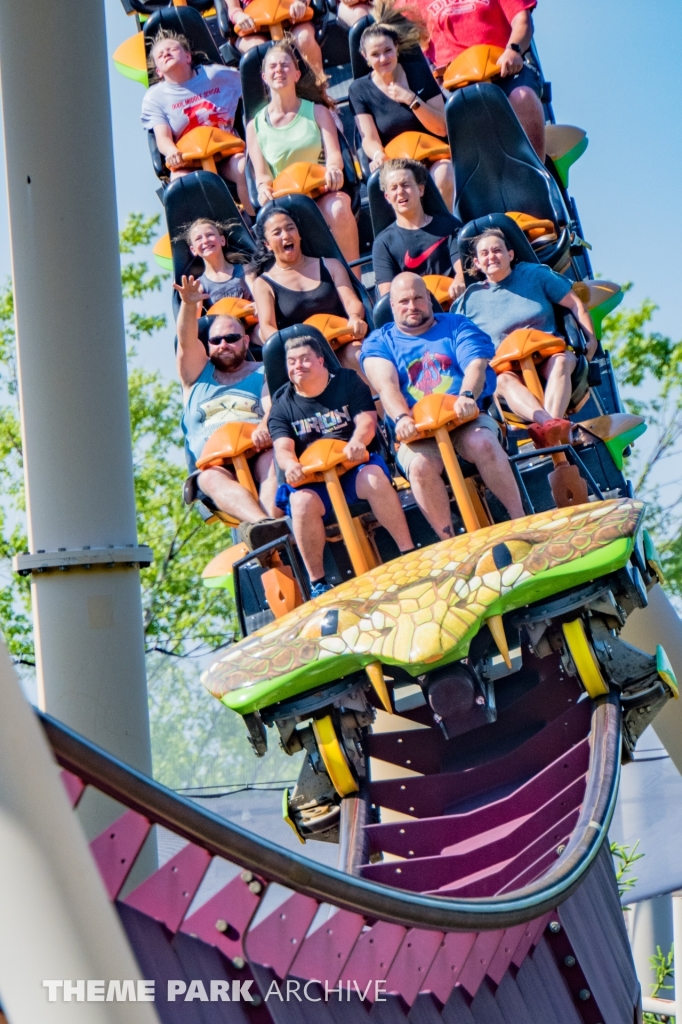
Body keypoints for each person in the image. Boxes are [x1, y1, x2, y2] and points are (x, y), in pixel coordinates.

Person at [361, 273, 524, 537]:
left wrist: (467, 396)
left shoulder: (457, 325)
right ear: (392, 306)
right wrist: (402, 418)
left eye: (417, 298)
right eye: (403, 301)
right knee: (420, 466)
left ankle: (521, 521)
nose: (412, 306)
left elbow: (475, 364)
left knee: (482, 443)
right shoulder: (379, 342)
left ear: (428, 298)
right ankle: (449, 541)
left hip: (465, 420)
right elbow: (386, 385)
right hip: (417, 432)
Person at [269, 335, 414, 596]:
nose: (297, 366)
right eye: (291, 362)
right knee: (299, 503)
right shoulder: (282, 404)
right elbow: (283, 448)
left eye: (304, 359)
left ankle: (408, 552)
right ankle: (318, 583)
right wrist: (290, 464)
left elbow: (367, 422)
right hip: (314, 482)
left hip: (352, 468)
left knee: (373, 477)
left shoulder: (347, 381)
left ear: (321, 361)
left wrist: (358, 442)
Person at [174, 274, 289, 550]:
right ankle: (267, 528)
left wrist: (264, 425)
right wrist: (190, 306)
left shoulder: (262, 372)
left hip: (257, 449)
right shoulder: (196, 375)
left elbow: (272, 402)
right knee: (211, 478)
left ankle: (272, 533)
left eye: (232, 338)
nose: (223, 344)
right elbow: (187, 342)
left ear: (246, 342)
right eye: (216, 340)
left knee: (273, 461)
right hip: (216, 463)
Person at [456, 228, 597, 448]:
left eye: (497, 250)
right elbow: (458, 340)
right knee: (502, 381)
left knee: (562, 362)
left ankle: (548, 430)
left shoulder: (535, 274)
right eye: (484, 254)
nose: (491, 256)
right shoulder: (469, 300)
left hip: (549, 353)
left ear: (510, 254)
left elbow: (574, 304)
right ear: (476, 262)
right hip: (506, 367)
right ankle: (549, 424)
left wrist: (591, 339)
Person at [246, 42, 360, 265]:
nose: (279, 70)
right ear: (264, 76)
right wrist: (262, 189)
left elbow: (334, 155)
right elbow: (262, 175)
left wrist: (334, 168)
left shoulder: (317, 111)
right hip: (286, 200)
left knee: (338, 208)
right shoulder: (255, 127)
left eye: (285, 65)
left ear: (297, 74)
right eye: (273, 67)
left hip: (321, 190)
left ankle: (354, 284)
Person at [349, 4, 455, 209]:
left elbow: (442, 127)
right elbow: (369, 138)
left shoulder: (417, 71)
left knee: (444, 173)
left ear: (396, 47)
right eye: (375, 54)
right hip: (397, 163)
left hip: (433, 154)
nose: (383, 59)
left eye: (388, 51)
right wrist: (378, 154)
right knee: (401, 187)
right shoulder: (359, 89)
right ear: (365, 57)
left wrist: (411, 100)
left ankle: (446, 231)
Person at [141, 31, 254, 215]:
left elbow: (252, 85)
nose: (166, 54)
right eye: (160, 55)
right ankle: (204, 229)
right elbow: (162, 137)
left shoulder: (216, 75)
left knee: (243, 168)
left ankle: (255, 220)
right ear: (159, 72)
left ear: (188, 56)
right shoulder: (155, 97)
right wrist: (171, 151)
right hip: (189, 160)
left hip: (227, 150)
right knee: (181, 185)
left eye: (172, 49)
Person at [424, 0, 545, 162]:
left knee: (522, 96)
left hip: (503, 67)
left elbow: (522, 20)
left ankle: (534, 175)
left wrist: (513, 50)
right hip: (453, 79)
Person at [251, 206, 368, 373]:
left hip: (342, 340)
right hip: (303, 354)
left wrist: (355, 318)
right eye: (277, 233)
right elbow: (267, 327)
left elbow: (351, 301)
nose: (286, 235)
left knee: (358, 355)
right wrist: (294, 348)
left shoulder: (330, 265)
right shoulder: (263, 283)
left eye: (290, 228)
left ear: (299, 235)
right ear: (267, 244)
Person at [373, 159, 465, 299]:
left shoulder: (449, 226)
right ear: (387, 197)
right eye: (394, 188)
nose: (400, 192)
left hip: (454, 304)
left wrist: (460, 281)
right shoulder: (383, 243)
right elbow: (388, 295)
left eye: (405, 185)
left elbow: (462, 269)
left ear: (420, 189)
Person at [226, 0, 324, 75]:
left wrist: (301, 2)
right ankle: (272, 96)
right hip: (254, 28)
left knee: (303, 38)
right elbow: (233, 8)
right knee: (259, 50)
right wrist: (239, 16)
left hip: (291, 18)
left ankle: (320, 88)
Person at [184, 218, 255, 306]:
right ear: (193, 250)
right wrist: (186, 302)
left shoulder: (245, 269)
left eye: (210, 235)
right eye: (198, 238)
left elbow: (258, 295)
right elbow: (194, 319)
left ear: (222, 240)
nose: (205, 241)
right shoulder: (199, 285)